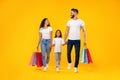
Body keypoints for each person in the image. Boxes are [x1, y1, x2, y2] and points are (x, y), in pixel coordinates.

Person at [64, 8, 87, 73]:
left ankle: (75, 67)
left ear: (75, 13)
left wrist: (85, 40)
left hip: (77, 40)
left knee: (77, 54)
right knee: (68, 53)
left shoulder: (81, 21)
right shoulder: (69, 21)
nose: (70, 14)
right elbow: (66, 31)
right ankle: (69, 62)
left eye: (71, 13)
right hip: (70, 40)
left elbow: (84, 31)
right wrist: (64, 39)